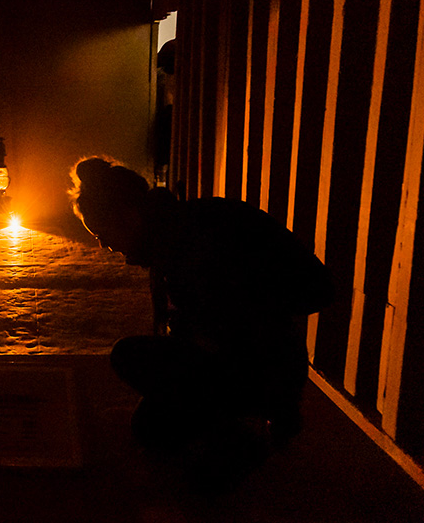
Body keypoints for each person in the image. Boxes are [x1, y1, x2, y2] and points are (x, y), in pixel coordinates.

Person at [69, 156, 333, 465]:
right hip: (249, 354)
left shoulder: (196, 242)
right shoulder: (175, 231)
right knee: (138, 379)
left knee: (156, 425)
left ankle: (250, 419)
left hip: (260, 363)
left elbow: (298, 296)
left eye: (102, 234)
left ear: (128, 218)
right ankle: (239, 416)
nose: (105, 246)